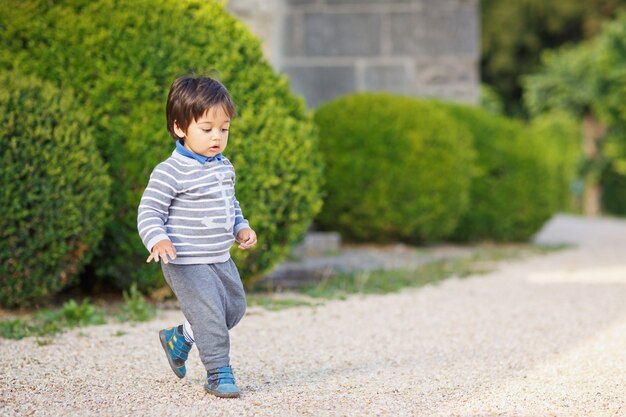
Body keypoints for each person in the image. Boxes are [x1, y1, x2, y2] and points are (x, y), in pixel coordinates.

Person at [137, 75, 257, 398]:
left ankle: (180, 337)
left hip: (219, 257)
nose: (217, 137)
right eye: (207, 129)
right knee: (211, 316)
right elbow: (148, 211)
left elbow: (229, 204)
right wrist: (157, 239)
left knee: (234, 308)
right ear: (180, 128)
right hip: (185, 260)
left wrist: (240, 227)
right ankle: (219, 372)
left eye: (224, 129)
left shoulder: (223, 166)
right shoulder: (170, 171)